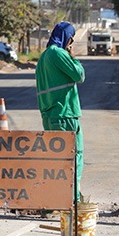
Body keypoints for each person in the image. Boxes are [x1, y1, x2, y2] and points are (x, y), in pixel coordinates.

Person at [36, 21, 86, 199]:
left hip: (50, 116)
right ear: (68, 38)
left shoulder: (44, 57)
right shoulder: (58, 53)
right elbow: (79, 75)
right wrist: (72, 56)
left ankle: (55, 199)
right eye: (71, 40)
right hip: (65, 114)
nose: (71, 43)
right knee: (74, 157)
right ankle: (72, 200)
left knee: (56, 162)